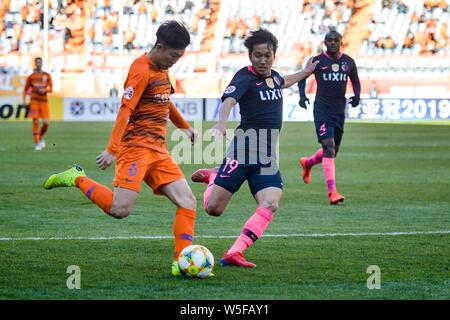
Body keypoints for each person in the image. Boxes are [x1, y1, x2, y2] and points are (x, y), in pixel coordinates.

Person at [43, 21, 199, 276]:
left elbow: (164, 101)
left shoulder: (162, 69)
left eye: (179, 57)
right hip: (135, 148)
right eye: (174, 55)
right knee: (120, 209)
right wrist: (112, 149)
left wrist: (185, 127)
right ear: (160, 47)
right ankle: (77, 177)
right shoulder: (140, 70)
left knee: (188, 201)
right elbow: (125, 109)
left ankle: (182, 261)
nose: (176, 61)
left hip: (159, 150)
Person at [191, 29, 318, 267]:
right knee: (213, 209)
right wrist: (221, 123)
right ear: (250, 56)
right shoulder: (244, 77)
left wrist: (306, 72)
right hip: (243, 151)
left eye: (267, 55)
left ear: (273, 56)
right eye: (257, 55)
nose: (262, 60)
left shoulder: (275, 77)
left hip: (267, 156)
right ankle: (214, 178)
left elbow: (284, 81)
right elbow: (229, 100)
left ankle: (234, 252)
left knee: (270, 203)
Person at [297, 30, 361, 205]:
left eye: (336, 40)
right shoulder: (317, 61)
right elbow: (303, 77)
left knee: (332, 152)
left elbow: (355, 80)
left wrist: (357, 95)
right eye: (329, 40)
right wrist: (302, 96)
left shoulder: (348, 61)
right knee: (328, 147)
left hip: (339, 111)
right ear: (325, 43)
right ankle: (332, 192)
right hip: (322, 110)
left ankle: (308, 163)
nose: (332, 43)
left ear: (341, 42)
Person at [23, 57, 53, 151]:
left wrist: (46, 90)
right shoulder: (31, 77)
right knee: (35, 121)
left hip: (44, 102)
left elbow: (51, 89)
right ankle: (37, 143)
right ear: (35, 64)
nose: (39, 63)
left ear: (42, 63)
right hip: (34, 102)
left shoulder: (47, 75)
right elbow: (25, 89)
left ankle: (39, 138)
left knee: (46, 123)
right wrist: (24, 100)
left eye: (40, 62)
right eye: (37, 62)